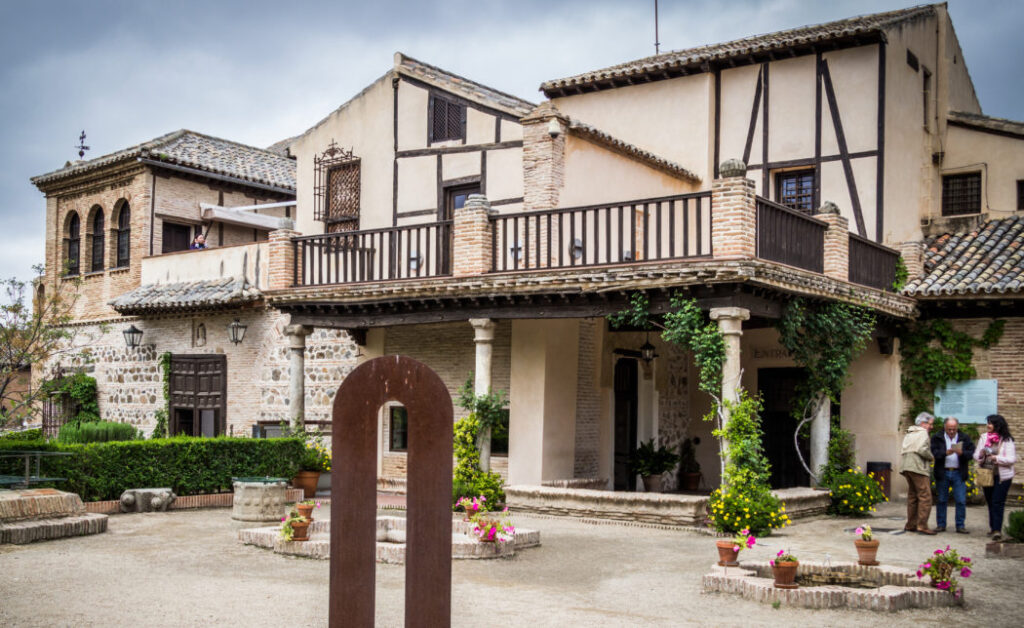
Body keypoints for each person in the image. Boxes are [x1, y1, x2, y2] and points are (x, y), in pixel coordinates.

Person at [974, 414, 1016, 540]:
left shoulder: (1007, 440)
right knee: (990, 501)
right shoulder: (984, 438)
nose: (988, 425)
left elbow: (1011, 459)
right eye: (988, 422)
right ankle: (993, 528)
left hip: (1003, 476)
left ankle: (997, 530)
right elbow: (976, 456)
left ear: (997, 425)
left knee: (998, 502)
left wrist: (996, 458)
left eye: (990, 423)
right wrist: (981, 455)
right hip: (987, 474)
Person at [930, 417, 975, 533]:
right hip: (943, 471)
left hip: (958, 472)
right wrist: (945, 453)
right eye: (949, 429)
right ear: (945, 427)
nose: (951, 432)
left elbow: (971, 453)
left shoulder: (964, 437)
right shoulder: (937, 437)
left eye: (954, 429)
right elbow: (933, 453)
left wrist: (962, 453)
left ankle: (960, 525)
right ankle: (941, 524)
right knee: (941, 499)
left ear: (957, 428)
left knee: (960, 500)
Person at [900, 412, 937, 535]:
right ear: (923, 423)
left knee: (913, 496)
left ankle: (911, 524)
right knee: (925, 496)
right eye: (930, 424)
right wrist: (931, 457)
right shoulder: (922, 432)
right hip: (918, 466)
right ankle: (922, 525)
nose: (931, 427)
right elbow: (922, 449)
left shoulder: (910, 432)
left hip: (906, 466)